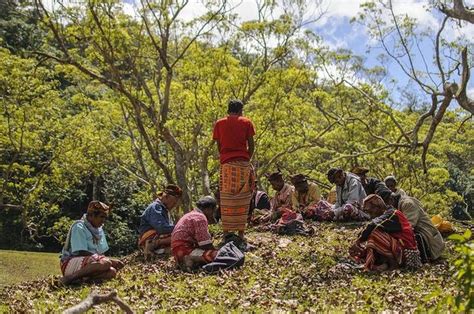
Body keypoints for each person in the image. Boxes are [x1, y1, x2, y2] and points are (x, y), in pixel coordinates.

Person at [213, 99, 256, 241]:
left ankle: (226, 233)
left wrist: (226, 157)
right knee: (243, 198)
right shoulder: (246, 122)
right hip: (242, 165)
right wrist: (246, 158)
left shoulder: (219, 123)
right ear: (240, 110)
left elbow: (219, 146)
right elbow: (251, 144)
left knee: (226, 198)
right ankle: (241, 234)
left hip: (227, 166)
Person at [349, 194, 421, 271]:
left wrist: (358, 242)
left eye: (370, 211)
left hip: (407, 253)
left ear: (377, 207)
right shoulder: (387, 214)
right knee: (369, 242)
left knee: (375, 234)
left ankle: (393, 264)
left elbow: (372, 225)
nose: (370, 215)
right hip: (399, 249)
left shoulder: (392, 213)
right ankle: (384, 263)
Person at [60, 201, 124, 285]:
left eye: (105, 218)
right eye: (101, 217)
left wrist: (108, 261)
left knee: (112, 272)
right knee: (107, 262)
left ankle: (81, 281)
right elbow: (80, 252)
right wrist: (109, 260)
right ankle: (70, 278)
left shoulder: (99, 230)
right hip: (70, 262)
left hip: (91, 262)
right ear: (91, 215)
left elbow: (101, 253)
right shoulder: (79, 226)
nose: (103, 220)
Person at [378, 190, 445, 262]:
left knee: (402, 235)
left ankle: (420, 259)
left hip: (429, 239)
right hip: (423, 234)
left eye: (386, 204)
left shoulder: (408, 204)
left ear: (391, 200)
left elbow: (408, 226)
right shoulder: (399, 205)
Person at [171, 196, 218, 271]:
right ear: (209, 208)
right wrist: (216, 251)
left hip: (177, 253)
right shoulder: (200, 218)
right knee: (219, 255)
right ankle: (191, 259)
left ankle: (188, 262)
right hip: (186, 250)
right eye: (213, 211)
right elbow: (205, 244)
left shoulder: (190, 214)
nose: (213, 214)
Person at [138, 184, 182, 259]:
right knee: (180, 234)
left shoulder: (165, 210)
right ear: (166, 196)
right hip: (149, 237)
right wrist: (180, 227)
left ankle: (158, 251)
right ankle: (152, 245)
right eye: (174, 203)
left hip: (159, 237)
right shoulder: (155, 207)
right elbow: (161, 228)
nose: (174, 206)